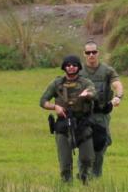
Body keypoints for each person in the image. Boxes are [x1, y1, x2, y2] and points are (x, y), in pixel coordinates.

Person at [41, 54, 96, 183]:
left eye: (74, 65)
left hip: (83, 123)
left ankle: (85, 181)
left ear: (78, 67)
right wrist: (55, 107)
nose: (71, 67)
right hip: (63, 124)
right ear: (64, 67)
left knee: (87, 158)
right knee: (65, 161)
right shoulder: (57, 83)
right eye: (68, 65)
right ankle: (66, 186)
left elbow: (94, 93)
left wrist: (87, 94)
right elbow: (43, 101)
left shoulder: (85, 82)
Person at [78, 41, 123, 179]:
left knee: (100, 146)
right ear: (84, 54)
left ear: (98, 53)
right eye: (88, 53)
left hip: (101, 115)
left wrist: (118, 97)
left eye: (94, 52)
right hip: (83, 115)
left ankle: (96, 177)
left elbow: (117, 84)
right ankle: (83, 176)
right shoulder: (79, 72)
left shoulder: (107, 71)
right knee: (84, 147)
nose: (91, 55)